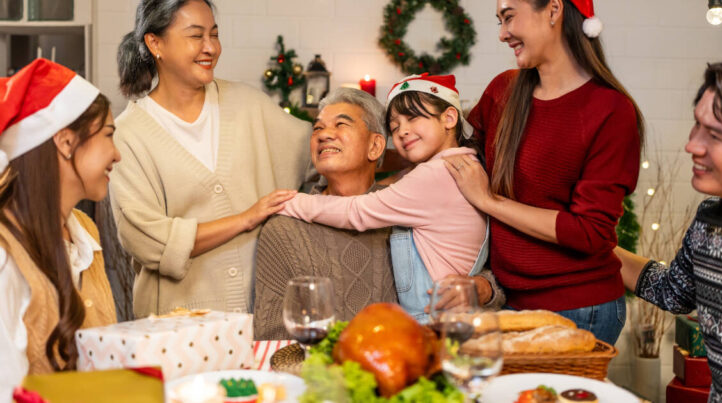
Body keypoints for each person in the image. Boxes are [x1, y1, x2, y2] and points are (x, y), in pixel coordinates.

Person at [443, 0, 643, 344]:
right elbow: (455, 161)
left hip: (580, 309)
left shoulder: (611, 110)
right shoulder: (502, 92)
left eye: (509, 18)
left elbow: (590, 232)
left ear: (553, 10)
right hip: (511, 300)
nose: (503, 34)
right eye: (499, 22)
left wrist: (490, 201)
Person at [111, 0, 313, 317]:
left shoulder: (247, 104)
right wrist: (246, 218)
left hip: (261, 319)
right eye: (195, 36)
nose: (210, 48)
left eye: (214, 35)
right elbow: (150, 240)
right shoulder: (128, 135)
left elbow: (320, 154)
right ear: (155, 43)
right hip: (177, 328)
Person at [253, 88, 505, 338]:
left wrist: (483, 288)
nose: (324, 134)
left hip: (423, 354)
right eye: (317, 128)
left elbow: (475, 263)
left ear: (375, 146)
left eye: (341, 124)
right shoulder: (285, 229)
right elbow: (273, 335)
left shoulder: (409, 206)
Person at [616, 56, 722, 400]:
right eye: (696, 125)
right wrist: (590, 242)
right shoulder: (709, 220)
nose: (692, 145)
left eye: (714, 134)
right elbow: (673, 291)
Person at [0, 59, 119, 399]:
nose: (117, 154)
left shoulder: (85, 231)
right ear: (66, 142)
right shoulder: (5, 256)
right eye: (108, 136)